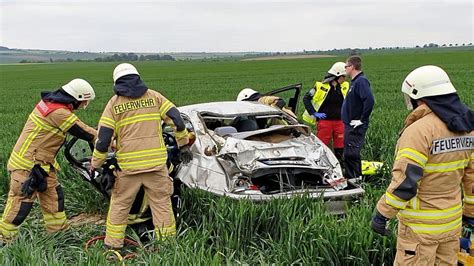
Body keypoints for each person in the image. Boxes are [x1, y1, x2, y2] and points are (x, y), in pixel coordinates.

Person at [371, 65, 474, 265]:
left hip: (420, 231)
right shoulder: (467, 128)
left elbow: (406, 183)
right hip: (451, 226)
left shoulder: (419, 131)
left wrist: (383, 213)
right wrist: (470, 214)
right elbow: (472, 179)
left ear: (420, 97)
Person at [90, 63, 192, 250]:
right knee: (162, 204)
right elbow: (177, 118)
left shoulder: (114, 104)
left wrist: (96, 163)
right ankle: (166, 246)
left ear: (117, 82)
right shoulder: (154, 97)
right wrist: (183, 143)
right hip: (156, 167)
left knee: (120, 206)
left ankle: (112, 246)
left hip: (129, 169)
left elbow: (103, 139)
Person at [0, 79, 97, 243]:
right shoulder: (58, 113)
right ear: (77, 98)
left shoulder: (50, 104)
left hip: (43, 164)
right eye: (84, 101)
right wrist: (110, 141)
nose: (84, 105)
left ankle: (60, 236)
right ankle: (4, 239)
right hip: (27, 165)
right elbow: (85, 132)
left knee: (54, 198)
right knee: (20, 204)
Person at [302, 62, 349, 162]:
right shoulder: (320, 86)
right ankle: (320, 165)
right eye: (343, 76)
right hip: (325, 122)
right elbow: (306, 98)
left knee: (340, 146)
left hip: (340, 122)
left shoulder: (345, 86)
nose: (345, 78)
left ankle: (340, 165)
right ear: (337, 75)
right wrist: (314, 112)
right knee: (321, 146)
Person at [341, 55, 375, 180]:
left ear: (352, 67)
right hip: (350, 124)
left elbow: (369, 100)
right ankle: (352, 178)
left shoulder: (361, 81)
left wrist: (362, 120)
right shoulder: (355, 82)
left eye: (346, 66)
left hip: (355, 125)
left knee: (351, 153)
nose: (345, 69)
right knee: (349, 153)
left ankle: (355, 180)